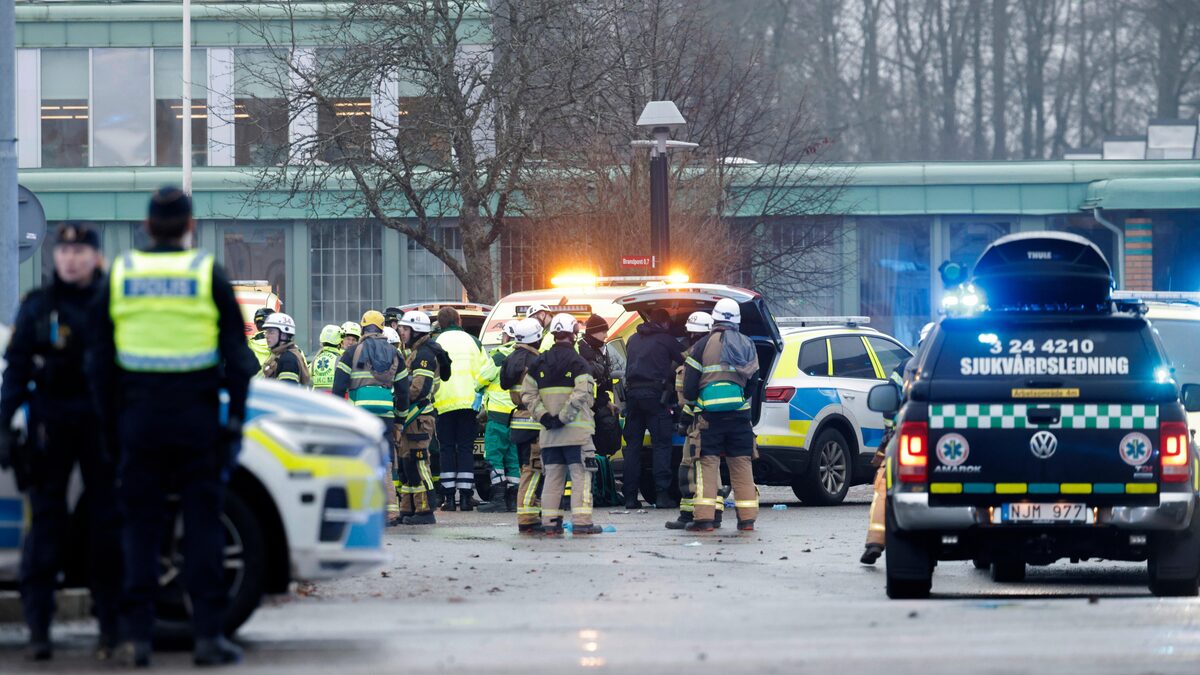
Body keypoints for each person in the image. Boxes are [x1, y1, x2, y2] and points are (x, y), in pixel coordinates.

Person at [87, 187, 257, 666]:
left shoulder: (121, 273)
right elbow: (238, 358)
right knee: (203, 526)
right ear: (190, 227)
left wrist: (109, 426)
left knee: (140, 528)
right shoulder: (206, 273)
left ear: (145, 226)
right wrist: (234, 421)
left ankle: (137, 639)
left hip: (138, 421)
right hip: (195, 421)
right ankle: (207, 637)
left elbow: (98, 362)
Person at [0, 223, 121, 661]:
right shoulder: (39, 305)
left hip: (102, 425)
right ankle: (39, 630)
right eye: (64, 251)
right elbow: (16, 370)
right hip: (50, 426)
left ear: (95, 257)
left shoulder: (114, 304)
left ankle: (111, 629)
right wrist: (2, 425)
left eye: (79, 251)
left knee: (107, 528)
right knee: (46, 528)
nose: (70, 259)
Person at [681, 298, 761, 532]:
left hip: (710, 418)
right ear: (737, 320)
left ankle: (705, 521)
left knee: (707, 466)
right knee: (742, 466)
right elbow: (754, 381)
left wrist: (696, 402)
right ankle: (747, 521)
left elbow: (689, 387)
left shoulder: (702, 345)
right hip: (739, 416)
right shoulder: (747, 343)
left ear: (714, 319)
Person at [521, 314, 602, 536]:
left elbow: (527, 394)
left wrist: (545, 417)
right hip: (577, 435)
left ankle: (550, 523)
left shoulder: (538, 362)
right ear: (573, 334)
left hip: (550, 435)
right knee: (581, 477)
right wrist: (563, 417)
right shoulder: (579, 363)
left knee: (552, 479)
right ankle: (582, 523)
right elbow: (582, 394)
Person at [861, 321, 935, 565]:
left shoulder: (906, 367)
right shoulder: (958, 365)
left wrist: (892, 432)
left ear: (920, 343)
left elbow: (889, 402)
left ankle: (875, 541)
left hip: (907, 441)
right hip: (950, 445)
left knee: (884, 486)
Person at [332, 310, 406, 523]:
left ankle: (362, 508)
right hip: (385, 413)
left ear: (363, 328)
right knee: (385, 460)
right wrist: (399, 420)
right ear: (382, 328)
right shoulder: (395, 353)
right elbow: (403, 391)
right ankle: (391, 511)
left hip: (359, 414)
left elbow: (338, 387)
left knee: (359, 457)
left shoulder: (351, 352)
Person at [666, 311, 724, 530]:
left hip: (697, 420)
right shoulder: (717, 355)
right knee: (708, 467)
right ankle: (711, 513)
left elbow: (689, 394)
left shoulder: (695, 359)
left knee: (691, 467)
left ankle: (691, 514)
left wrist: (684, 419)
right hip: (711, 419)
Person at [621, 307, 684, 509]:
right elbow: (687, 360)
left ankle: (630, 497)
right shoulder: (666, 339)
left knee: (633, 447)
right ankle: (662, 495)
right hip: (656, 398)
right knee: (661, 445)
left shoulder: (632, 339)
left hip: (633, 397)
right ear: (665, 323)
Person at [395, 310, 450, 525]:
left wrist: (398, 398)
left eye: (405, 329)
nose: (401, 332)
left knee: (418, 462)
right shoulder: (416, 351)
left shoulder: (424, 355)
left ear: (416, 331)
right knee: (408, 463)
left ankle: (426, 510)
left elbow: (419, 388)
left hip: (419, 416)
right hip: (413, 416)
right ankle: (409, 508)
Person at [432, 306, 486, 511]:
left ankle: (448, 498)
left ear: (440, 323)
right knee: (465, 448)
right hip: (469, 403)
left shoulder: (436, 342)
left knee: (446, 448)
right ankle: (465, 497)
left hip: (443, 404)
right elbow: (486, 372)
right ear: (459, 320)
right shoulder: (473, 342)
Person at [502, 318, 546, 533]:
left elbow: (504, 384)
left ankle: (533, 513)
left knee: (526, 469)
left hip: (518, 421)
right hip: (534, 421)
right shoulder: (536, 361)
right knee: (533, 470)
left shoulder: (510, 359)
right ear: (537, 338)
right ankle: (528, 517)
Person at [476, 321, 520, 512]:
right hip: (518, 416)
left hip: (498, 415)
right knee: (513, 458)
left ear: (507, 336)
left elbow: (480, 380)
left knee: (494, 456)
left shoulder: (499, 356)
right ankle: (514, 500)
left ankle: (499, 499)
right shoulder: (525, 356)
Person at [260, 312, 311, 387]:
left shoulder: (288, 359)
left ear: (283, 335)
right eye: (266, 332)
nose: (266, 336)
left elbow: (287, 390)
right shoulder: (278, 356)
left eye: (271, 332)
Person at [310, 324, 344, 393]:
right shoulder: (341, 359)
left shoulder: (315, 360)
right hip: (334, 397)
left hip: (316, 397)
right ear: (339, 342)